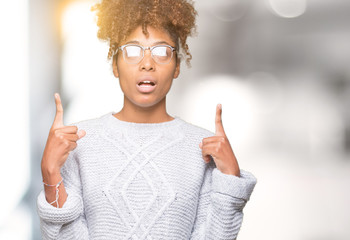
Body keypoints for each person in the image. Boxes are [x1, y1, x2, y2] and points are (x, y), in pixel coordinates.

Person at [36, 0, 257, 239]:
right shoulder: (78, 143)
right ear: (115, 65)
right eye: (132, 50)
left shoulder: (201, 148)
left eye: (162, 51)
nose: (147, 64)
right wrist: (50, 173)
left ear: (177, 67)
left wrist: (230, 182)